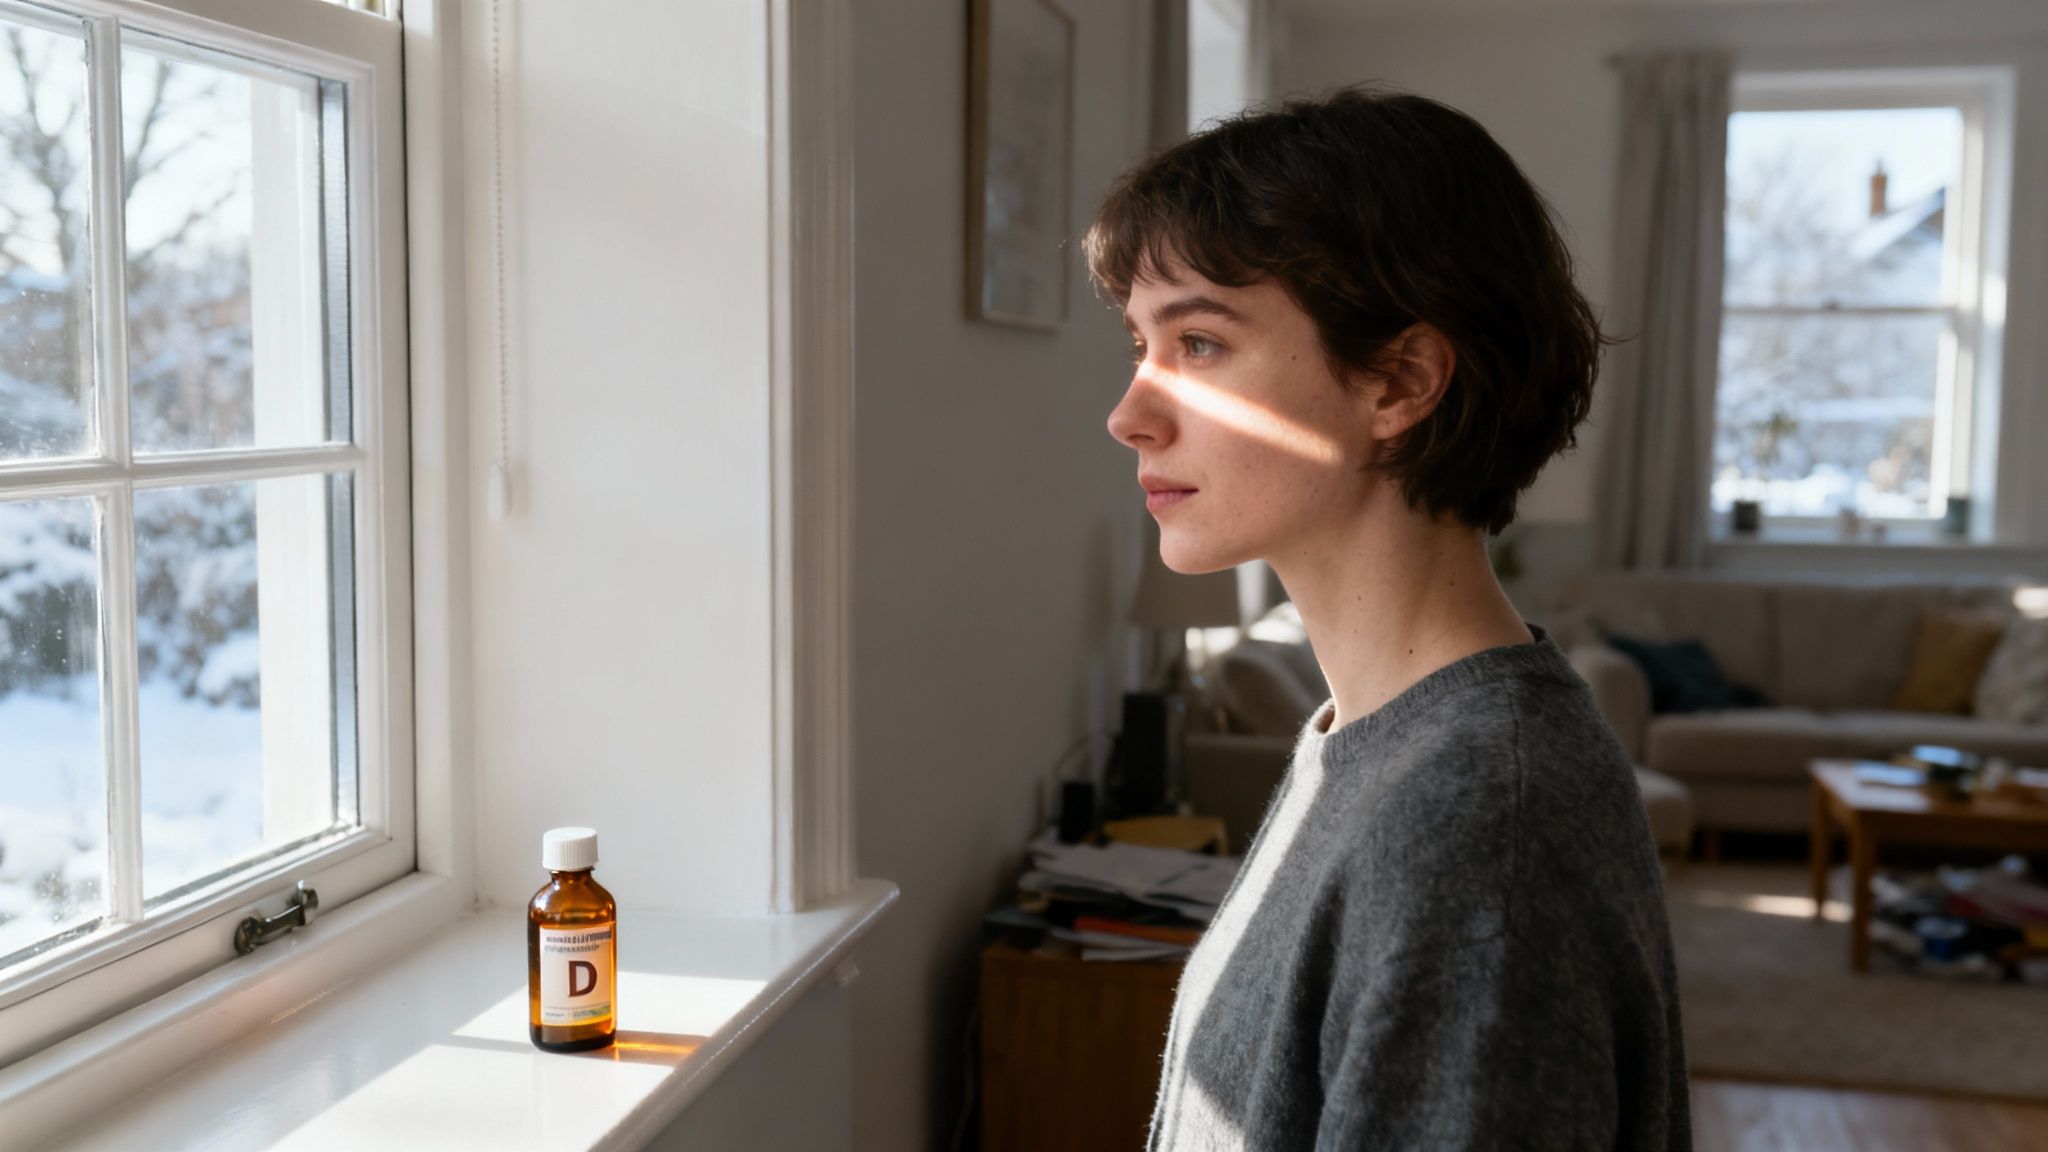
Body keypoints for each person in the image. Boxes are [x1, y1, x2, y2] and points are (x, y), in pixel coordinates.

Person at [1089, 86, 1690, 1150]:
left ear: (1398, 380)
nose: (1128, 414)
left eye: (1198, 345)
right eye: (1139, 344)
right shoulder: (1367, 739)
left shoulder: (1474, 821)